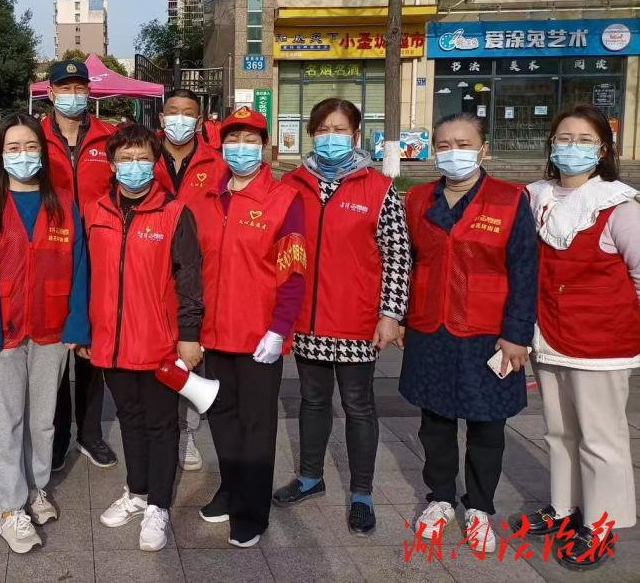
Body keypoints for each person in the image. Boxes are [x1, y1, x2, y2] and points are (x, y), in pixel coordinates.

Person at [273, 98, 410, 535]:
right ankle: (310, 477)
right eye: (322, 130)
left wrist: (391, 313)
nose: (330, 137)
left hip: (357, 320)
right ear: (312, 135)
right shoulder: (292, 184)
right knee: (312, 400)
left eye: (340, 130)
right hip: (307, 320)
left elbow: (397, 255)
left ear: (355, 136)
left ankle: (362, 493)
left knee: (358, 404)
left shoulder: (378, 187)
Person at [402, 112, 538, 555]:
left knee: (486, 425)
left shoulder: (509, 200)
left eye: (463, 144)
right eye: (443, 145)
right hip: (431, 329)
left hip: (488, 334)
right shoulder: (418, 199)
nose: (453, 152)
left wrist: (517, 334)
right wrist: (399, 317)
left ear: (483, 150)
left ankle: (479, 506)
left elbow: (525, 270)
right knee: (435, 422)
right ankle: (440, 497)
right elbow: (406, 263)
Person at [0, 113, 90, 553]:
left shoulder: (64, 204)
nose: (23, 155)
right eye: (13, 148)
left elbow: (80, 267)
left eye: (31, 147)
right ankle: (9, 507)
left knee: (42, 420)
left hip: (52, 329)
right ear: (0, 156)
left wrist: (76, 324)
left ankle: (36, 487)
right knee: (5, 421)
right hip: (4, 332)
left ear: (44, 153)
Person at [523, 104, 639, 570]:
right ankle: (564, 508)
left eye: (584, 140)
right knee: (559, 431)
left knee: (600, 437)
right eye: (564, 138)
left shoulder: (619, 206)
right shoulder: (536, 197)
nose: (572, 147)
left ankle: (602, 524)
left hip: (600, 343)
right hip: (548, 334)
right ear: (551, 145)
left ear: (603, 150)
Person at [189, 107, 307, 548]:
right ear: (221, 146)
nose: (241, 148)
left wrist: (279, 329)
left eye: (251, 140)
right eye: (233, 140)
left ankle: (252, 511)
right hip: (213, 332)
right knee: (221, 417)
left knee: (256, 424)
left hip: (259, 336)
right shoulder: (206, 199)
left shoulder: (284, 199)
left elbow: (293, 273)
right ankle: (230, 488)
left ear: (265, 146)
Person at [86, 124, 204, 552]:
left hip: (158, 343)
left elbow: (190, 279)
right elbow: (86, 274)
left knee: (161, 424)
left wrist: (189, 334)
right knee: (129, 419)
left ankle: (159, 505)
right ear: (112, 164)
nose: (133, 166)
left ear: (155, 163)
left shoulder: (175, 212)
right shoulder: (95, 211)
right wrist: (85, 329)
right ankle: (136, 492)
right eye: (125, 158)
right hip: (111, 343)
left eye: (142, 158)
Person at [42, 59, 119, 470]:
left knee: (91, 349)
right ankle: (56, 437)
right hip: (51, 254)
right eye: (64, 87)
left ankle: (90, 434)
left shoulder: (109, 137)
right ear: (50, 92)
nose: (72, 95)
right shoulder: (35, 137)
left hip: (99, 253)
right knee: (55, 351)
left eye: (79, 87)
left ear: (89, 92)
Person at [153, 88, 225, 472]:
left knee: (191, 353)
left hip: (199, 273)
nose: (179, 119)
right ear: (162, 118)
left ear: (198, 121)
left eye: (188, 113)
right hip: (151, 270)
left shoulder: (216, 163)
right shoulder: (145, 156)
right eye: (173, 111)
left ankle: (188, 433)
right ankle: (159, 430)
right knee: (154, 355)